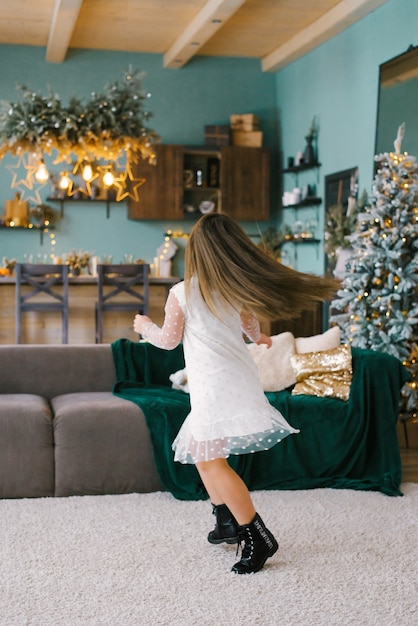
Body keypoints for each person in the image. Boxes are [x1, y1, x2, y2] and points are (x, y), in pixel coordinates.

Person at [133, 213, 339, 574]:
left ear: (196, 252)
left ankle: (257, 534)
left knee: (211, 460)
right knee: (203, 453)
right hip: (237, 379)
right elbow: (249, 327)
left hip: (213, 385)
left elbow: (167, 341)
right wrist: (258, 338)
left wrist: (145, 326)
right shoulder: (231, 291)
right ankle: (226, 521)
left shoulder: (181, 292)